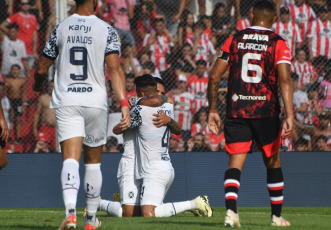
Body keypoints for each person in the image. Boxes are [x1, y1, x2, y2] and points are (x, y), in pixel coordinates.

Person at [32, 0, 130, 229]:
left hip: (67, 100)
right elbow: (115, 69)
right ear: (95, 2)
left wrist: (38, 84)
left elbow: (41, 68)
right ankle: (91, 219)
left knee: (70, 159)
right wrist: (124, 102)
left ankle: (70, 213)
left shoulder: (61, 27)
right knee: (93, 163)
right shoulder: (107, 30)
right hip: (95, 101)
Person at [207, 1, 293, 227]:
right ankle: (276, 217)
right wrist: (290, 115)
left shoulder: (234, 39)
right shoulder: (278, 43)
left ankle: (231, 213)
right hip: (266, 112)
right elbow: (285, 79)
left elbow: (214, 76)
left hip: (237, 110)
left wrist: (213, 109)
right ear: (274, 18)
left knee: (235, 162)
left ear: (251, 15)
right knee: (273, 163)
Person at [98, 74, 212, 218]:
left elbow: (116, 129)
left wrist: (134, 104)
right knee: (134, 214)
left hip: (153, 168)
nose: (160, 97)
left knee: (147, 213)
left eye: (162, 93)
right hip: (144, 166)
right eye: (158, 92)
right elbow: (173, 119)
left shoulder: (140, 110)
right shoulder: (167, 107)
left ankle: (195, 204)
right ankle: (113, 201)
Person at [1, 0, 39, 68]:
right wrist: (11, 33)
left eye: (27, 3)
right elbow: (2, 26)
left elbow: (35, 35)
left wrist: (34, 51)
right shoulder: (16, 16)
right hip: (19, 49)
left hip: (30, 51)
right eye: (23, 4)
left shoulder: (33, 18)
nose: (25, 5)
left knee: (28, 72)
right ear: (19, 5)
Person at [33, 80, 56, 150]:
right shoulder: (43, 98)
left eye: (54, 87)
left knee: (56, 149)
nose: (52, 88)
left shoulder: (62, 99)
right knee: (42, 148)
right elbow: (37, 113)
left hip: (57, 128)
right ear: (48, 87)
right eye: (51, 86)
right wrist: (34, 127)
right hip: (45, 127)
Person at [5, 64, 25, 144]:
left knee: (18, 119)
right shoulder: (8, 80)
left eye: (16, 70)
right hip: (10, 100)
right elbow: (5, 93)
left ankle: (18, 137)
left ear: (19, 71)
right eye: (13, 70)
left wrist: (23, 103)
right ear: (10, 71)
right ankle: (8, 136)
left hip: (18, 100)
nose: (15, 71)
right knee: (10, 118)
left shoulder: (22, 81)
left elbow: (23, 92)